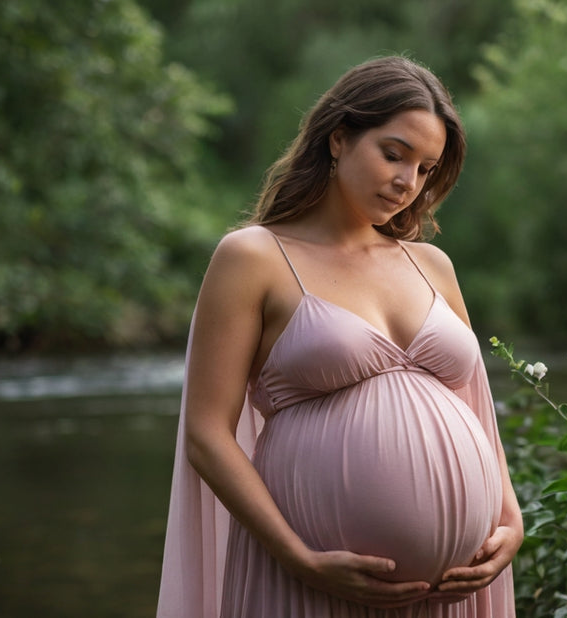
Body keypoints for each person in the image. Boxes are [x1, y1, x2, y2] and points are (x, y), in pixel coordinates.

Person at [157, 55, 523, 618]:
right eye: (394, 154)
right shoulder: (254, 257)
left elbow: (475, 410)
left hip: (456, 588)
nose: (408, 182)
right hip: (312, 578)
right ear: (338, 139)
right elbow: (207, 433)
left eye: (426, 168)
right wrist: (298, 556)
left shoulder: (432, 265)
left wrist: (511, 521)